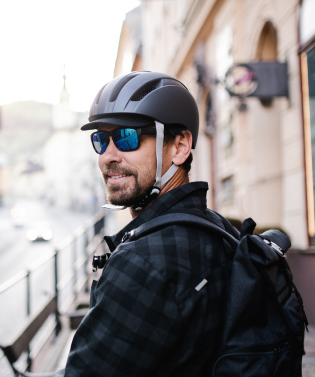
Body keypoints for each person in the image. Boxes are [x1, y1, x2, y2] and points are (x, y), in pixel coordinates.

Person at [62, 71, 238, 376]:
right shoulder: (219, 230)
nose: (107, 156)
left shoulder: (143, 262)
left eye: (127, 136)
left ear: (180, 146)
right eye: (101, 140)